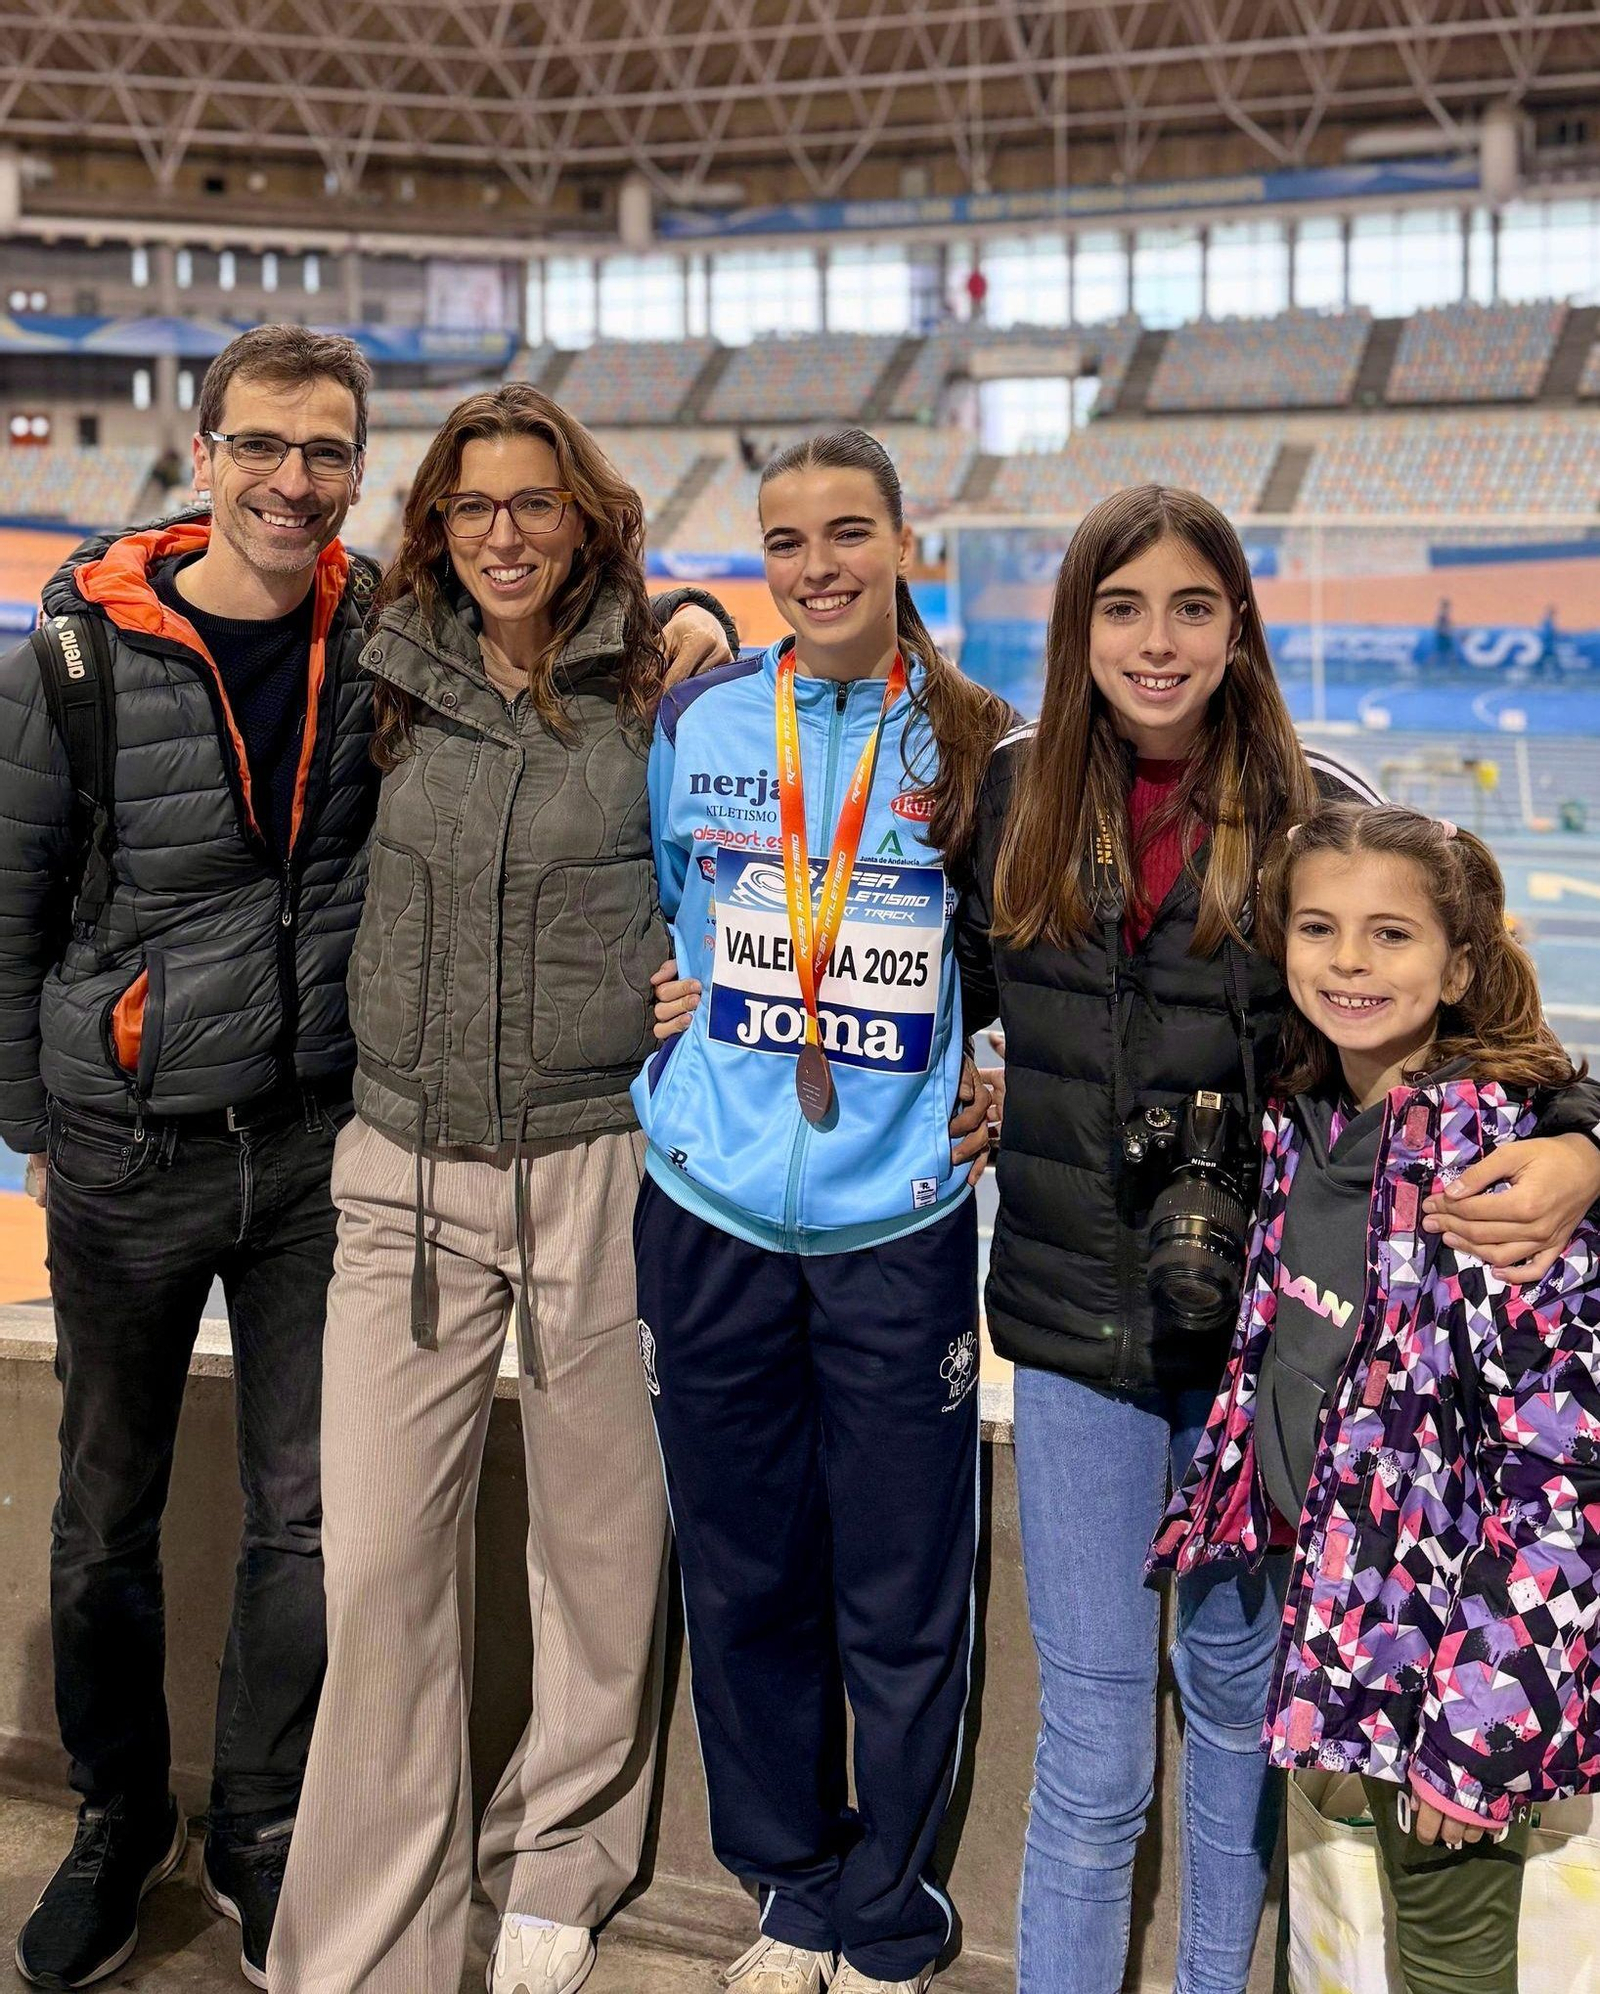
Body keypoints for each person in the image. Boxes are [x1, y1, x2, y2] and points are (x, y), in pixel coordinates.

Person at [0, 330, 734, 1993]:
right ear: (207, 453)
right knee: (235, 1537)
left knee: (460, 1539)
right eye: (471, 505)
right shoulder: (270, 660)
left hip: (461, 1150)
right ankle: (224, 1865)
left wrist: (694, 617)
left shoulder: (536, 670)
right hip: (264, 1154)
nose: (502, 531)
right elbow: (24, 891)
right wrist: (40, 1126)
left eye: (325, 450)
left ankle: (432, 1843)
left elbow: (732, 823)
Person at [952, 483, 1600, 1994]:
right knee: (1091, 1740)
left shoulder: (1317, 799)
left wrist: (1583, 1137)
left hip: (1266, 1356)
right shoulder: (1012, 794)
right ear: (1078, 627)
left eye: (1191, 606)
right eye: (1122, 607)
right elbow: (943, 990)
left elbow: (1485, 1003)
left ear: (1238, 626)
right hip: (1073, 1336)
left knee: (1240, 1717)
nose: (1156, 641)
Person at [260, 381, 738, 1994]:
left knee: (600, 1546)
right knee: (381, 1566)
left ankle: (561, 1854)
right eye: (474, 506)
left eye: (534, 502)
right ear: (438, 525)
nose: (504, 533)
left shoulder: (661, 684)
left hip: (600, 1154)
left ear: (583, 516)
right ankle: (366, 1940)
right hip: (403, 1164)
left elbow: (749, 855)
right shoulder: (388, 667)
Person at [633, 427, 1009, 1994]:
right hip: (708, 1206)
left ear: (905, 543)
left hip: (894, 1229)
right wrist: (672, 1023)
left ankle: (891, 1907)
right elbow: (672, 909)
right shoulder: (704, 717)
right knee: (742, 1575)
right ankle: (788, 1883)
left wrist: (991, 1071)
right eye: (785, 541)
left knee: (902, 1589)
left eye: (849, 531)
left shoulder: (980, 743)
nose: (817, 566)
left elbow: (1006, 958)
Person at [1151, 801, 1600, 1994]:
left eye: (1390, 933)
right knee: (1349, 1946)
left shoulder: (1496, 1173)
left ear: (1458, 965)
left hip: (1453, 1663)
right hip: (1348, 1617)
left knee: (1449, 1957)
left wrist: (1480, 1724)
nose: (1348, 959)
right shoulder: (1309, 1120)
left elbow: (1557, 1481)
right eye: (1318, 927)